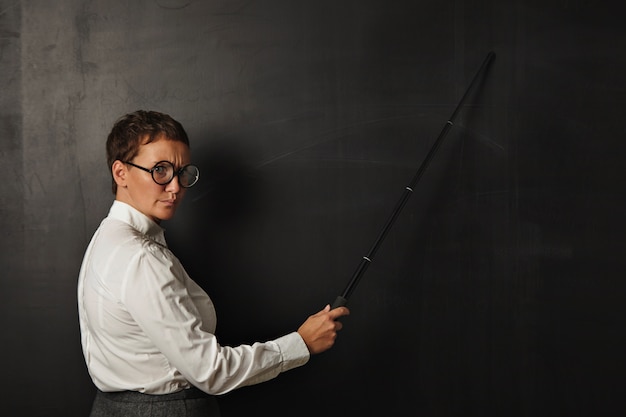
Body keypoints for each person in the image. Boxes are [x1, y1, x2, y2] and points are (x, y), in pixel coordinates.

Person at [77, 110, 350, 417]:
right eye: (160, 170)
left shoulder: (107, 238)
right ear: (120, 173)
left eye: (182, 173)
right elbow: (210, 371)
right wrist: (300, 344)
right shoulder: (139, 256)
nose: (175, 187)